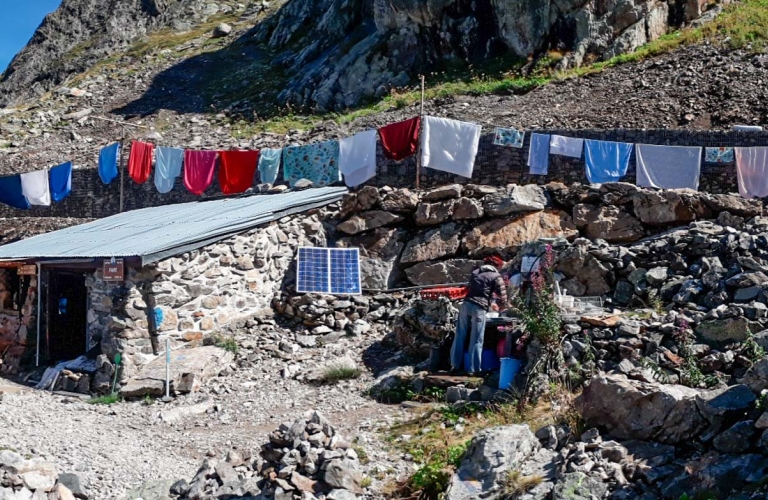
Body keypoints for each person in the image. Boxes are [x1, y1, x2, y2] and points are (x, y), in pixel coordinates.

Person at [450, 255, 508, 374]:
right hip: (479, 308)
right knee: (476, 339)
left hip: (465, 305)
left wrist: (490, 300)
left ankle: (454, 366)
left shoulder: (475, 272)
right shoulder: (496, 276)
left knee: (460, 335)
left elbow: (474, 289)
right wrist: (501, 307)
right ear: (497, 266)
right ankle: (474, 370)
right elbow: (502, 297)